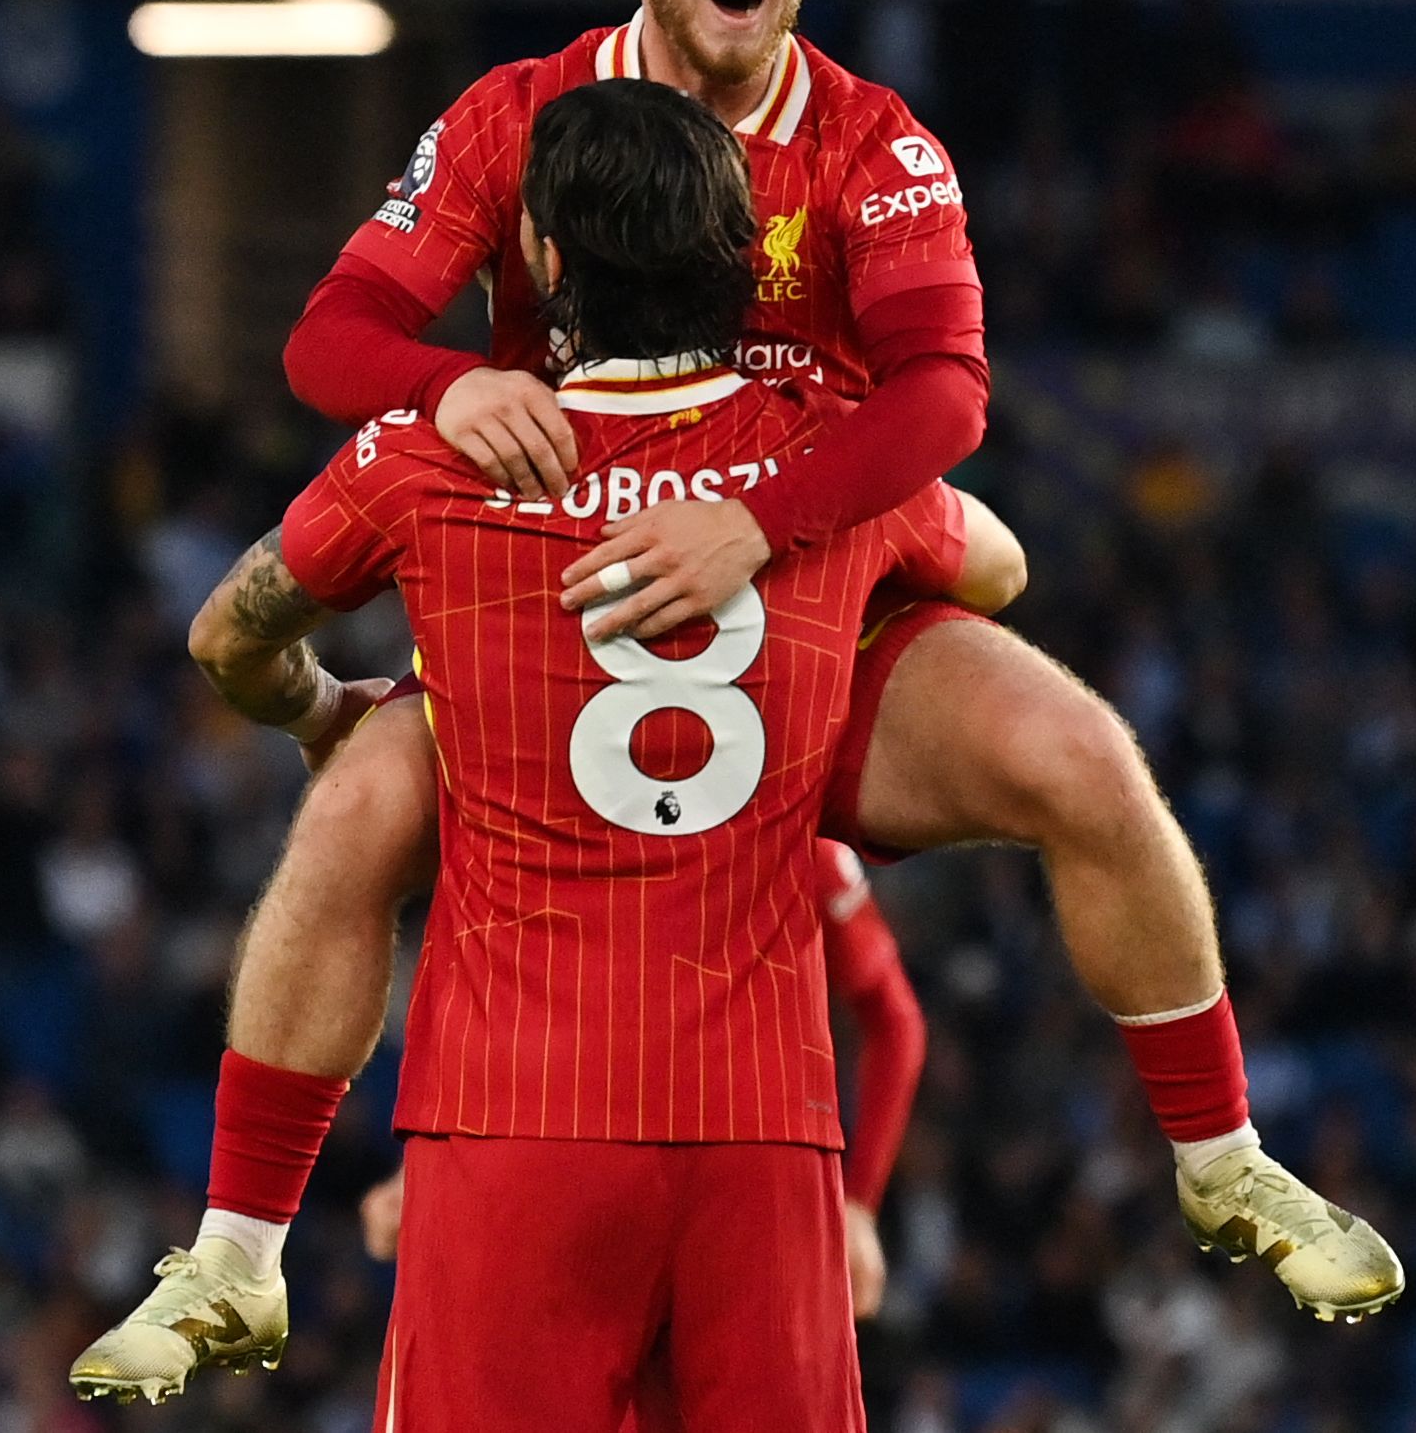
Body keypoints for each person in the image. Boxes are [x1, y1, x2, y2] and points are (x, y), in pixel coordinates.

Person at [184, 0, 1401, 1349]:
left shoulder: (874, 143)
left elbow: (944, 395)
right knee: (348, 819)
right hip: (554, 605)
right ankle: (233, 1253)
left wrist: (754, 527)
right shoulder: (516, 114)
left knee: (1081, 760)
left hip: (810, 581)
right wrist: (449, 383)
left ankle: (1223, 1157)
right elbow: (330, 339)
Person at [73, 79, 1023, 1425]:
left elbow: (225, 633)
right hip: (763, 1127)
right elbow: (998, 566)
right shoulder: (833, 466)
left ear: (544, 257)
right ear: (740, 258)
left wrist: (328, 715)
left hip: (513, 1113)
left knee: (350, 818)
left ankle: (235, 1249)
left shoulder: (429, 461)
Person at [355, 832, 929, 1326]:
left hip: (744, 1223)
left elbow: (894, 1022)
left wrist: (860, 1203)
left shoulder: (801, 853)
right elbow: (506, 1012)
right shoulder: (559, 841)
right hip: (578, 1212)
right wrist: (427, 1163)